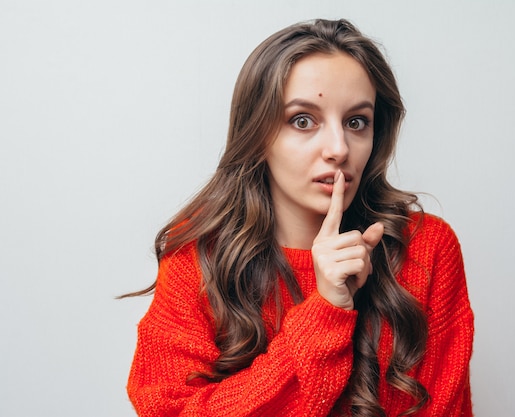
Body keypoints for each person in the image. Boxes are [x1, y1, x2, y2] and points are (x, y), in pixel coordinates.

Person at [125, 18, 474, 417]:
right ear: (258, 134)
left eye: (356, 122)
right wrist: (325, 311)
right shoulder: (198, 255)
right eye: (303, 121)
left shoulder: (425, 248)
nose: (339, 148)